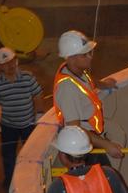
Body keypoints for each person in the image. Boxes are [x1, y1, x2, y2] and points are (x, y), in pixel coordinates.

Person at [53, 29, 123, 159]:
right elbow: (74, 128)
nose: (90, 56)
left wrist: (104, 84)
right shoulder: (67, 89)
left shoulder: (75, 69)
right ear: (71, 58)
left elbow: (87, 81)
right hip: (83, 144)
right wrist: (107, 145)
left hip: (92, 134)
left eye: (89, 52)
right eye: (85, 54)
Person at [0, 46, 44, 193]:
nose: (10, 65)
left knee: (31, 153)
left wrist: (39, 114)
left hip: (28, 124)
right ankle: (10, 182)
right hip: (8, 126)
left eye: (12, 61)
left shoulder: (28, 78)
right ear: (0, 66)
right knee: (8, 156)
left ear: (17, 61)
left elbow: (37, 95)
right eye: (5, 63)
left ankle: (31, 180)